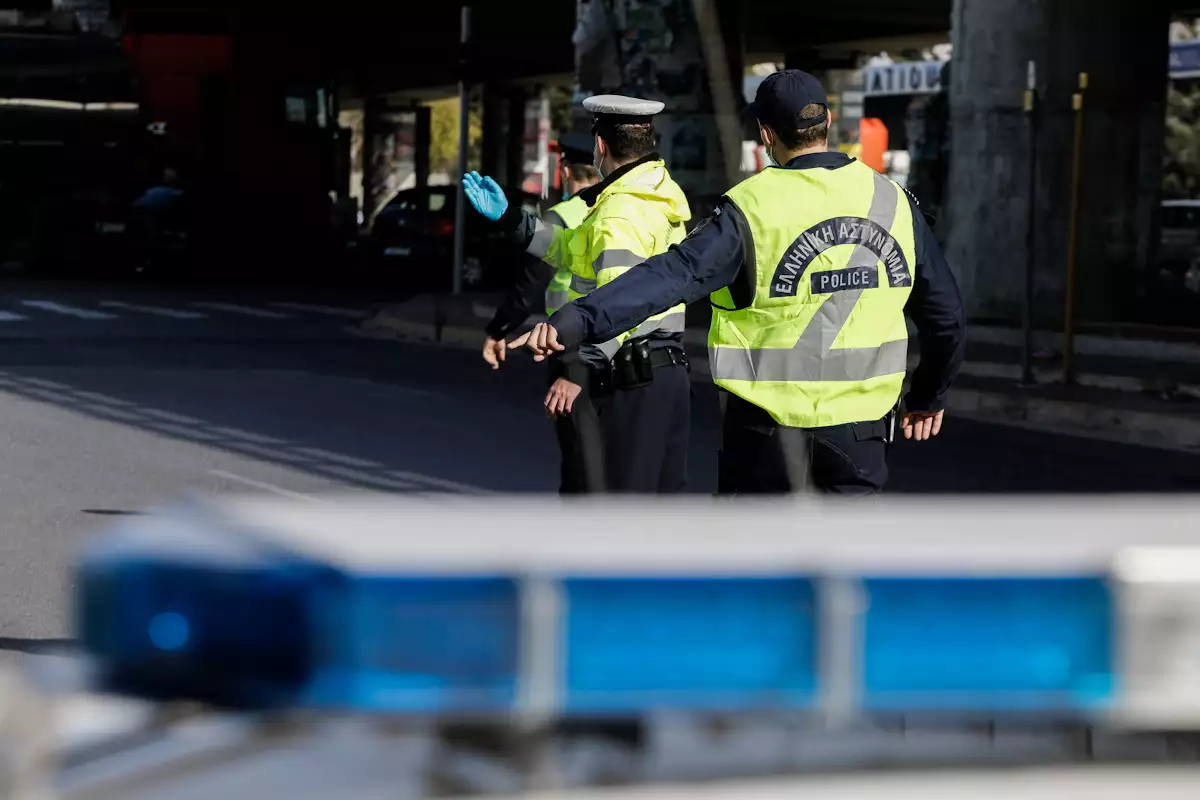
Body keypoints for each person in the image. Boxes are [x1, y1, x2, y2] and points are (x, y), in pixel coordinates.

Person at [512, 70, 968, 496]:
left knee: (756, 554)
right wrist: (928, 396)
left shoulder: (750, 206)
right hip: (861, 436)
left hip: (765, 438)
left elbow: (671, 276)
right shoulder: (893, 201)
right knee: (843, 555)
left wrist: (576, 321)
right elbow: (945, 316)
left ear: (766, 135)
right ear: (827, 122)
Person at [463, 95, 693, 494]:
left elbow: (621, 303)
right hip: (662, 373)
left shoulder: (621, 213)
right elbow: (569, 249)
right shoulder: (655, 194)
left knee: (616, 509)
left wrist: (579, 371)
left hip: (630, 380)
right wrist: (512, 218)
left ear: (600, 145)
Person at [481, 132, 606, 495]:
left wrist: (498, 329)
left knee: (579, 459)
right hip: (621, 349)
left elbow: (531, 283)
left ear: (565, 172)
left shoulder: (563, 215)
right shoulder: (621, 208)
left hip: (570, 348)